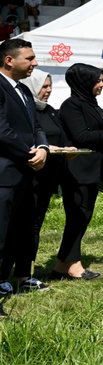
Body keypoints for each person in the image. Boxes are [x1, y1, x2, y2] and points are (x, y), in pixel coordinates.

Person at [46, 64, 103, 279]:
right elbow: (81, 136)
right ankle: (74, 265)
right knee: (78, 215)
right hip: (77, 170)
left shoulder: (90, 103)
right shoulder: (71, 105)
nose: (101, 84)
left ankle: (62, 267)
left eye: (102, 80)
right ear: (83, 82)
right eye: (97, 80)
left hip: (91, 168)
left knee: (83, 215)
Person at [0, 39, 49, 304]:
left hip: (25, 174)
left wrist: (43, 148)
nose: (35, 63)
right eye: (29, 58)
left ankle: (5, 279)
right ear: (9, 60)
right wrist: (30, 154)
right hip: (4, 174)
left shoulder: (24, 90)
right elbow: (2, 132)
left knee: (19, 231)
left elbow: (35, 126)